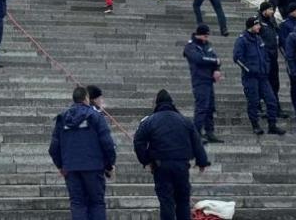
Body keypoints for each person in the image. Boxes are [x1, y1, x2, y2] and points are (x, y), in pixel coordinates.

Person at [133, 89, 209, 220]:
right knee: (183, 200)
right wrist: (202, 161)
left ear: (157, 104)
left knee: (166, 201)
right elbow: (197, 142)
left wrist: (146, 160)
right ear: (172, 103)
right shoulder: (185, 121)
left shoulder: (149, 121)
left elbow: (138, 141)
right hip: (182, 165)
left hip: (161, 165)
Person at [49, 86, 117, 220]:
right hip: (94, 167)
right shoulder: (96, 117)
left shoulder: (62, 119)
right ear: (86, 98)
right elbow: (107, 144)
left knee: (77, 204)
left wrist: (61, 166)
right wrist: (109, 165)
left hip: (71, 168)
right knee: (96, 203)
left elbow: (53, 148)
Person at [233, 17, 285, 135]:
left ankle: (272, 125)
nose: (259, 27)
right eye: (257, 25)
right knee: (253, 102)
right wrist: (249, 70)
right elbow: (237, 58)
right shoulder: (242, 40)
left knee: (271, 101)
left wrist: (266, 67)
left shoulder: (258, 39)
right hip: (250, 77)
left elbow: (265, 56)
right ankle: (255, 125)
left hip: (263, 77)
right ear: (251, 26)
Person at [184, 23, 223, 144]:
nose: (207, 39)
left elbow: (216, 59)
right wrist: (214, 61)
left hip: (209, 80)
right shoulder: (190, 46)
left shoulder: (207, 45)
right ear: (199, 35)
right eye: (205, 36)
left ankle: (209, 132)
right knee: (202, 107)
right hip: (199, 80)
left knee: (210, 107)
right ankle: (197, 133)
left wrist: (217, 69)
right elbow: (199, 59)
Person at [257, 1, 289, 118]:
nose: (272, 11)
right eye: (270, 9)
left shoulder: (272, 20)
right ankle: (261, 107)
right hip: (263, 58)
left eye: (273, 9)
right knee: (263, 83)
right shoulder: (257, 22)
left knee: (275, 83)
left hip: (273, 56)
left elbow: (278, 36)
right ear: (264, 10)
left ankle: (276, 108)